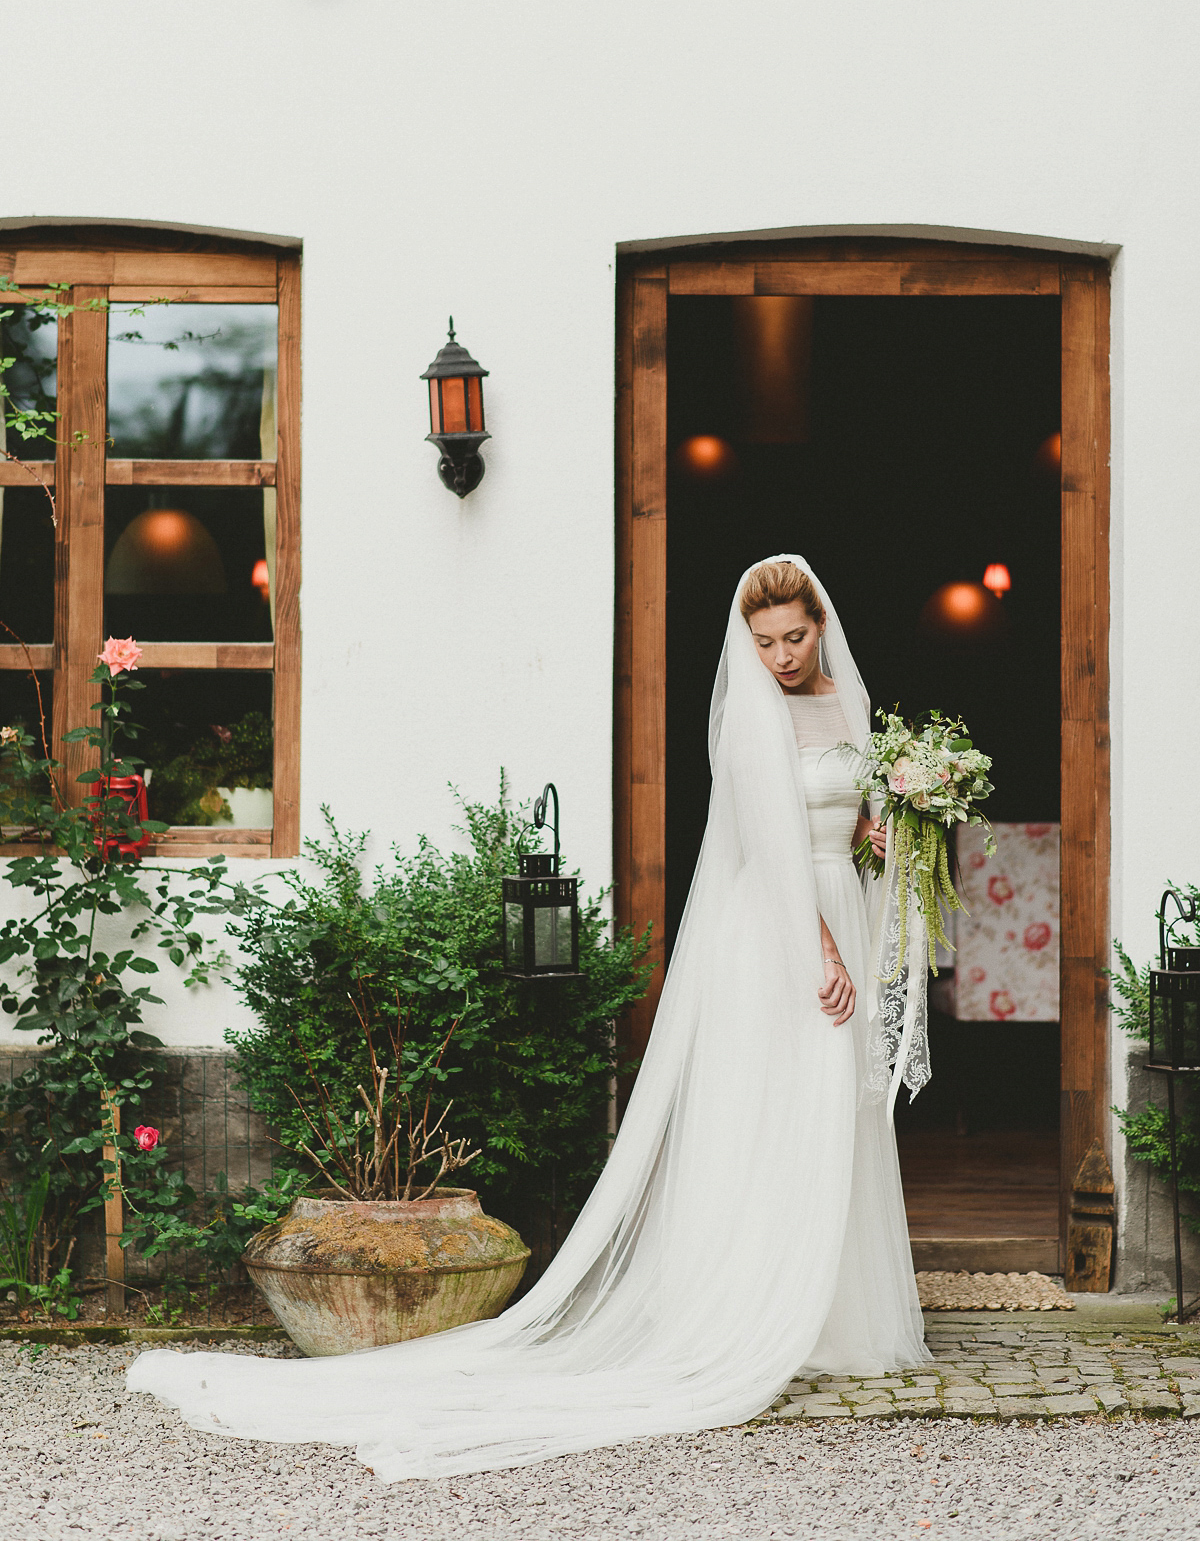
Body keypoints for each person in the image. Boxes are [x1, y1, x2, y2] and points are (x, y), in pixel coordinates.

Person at [128, 555, 929, 1478]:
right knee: (769, 1115)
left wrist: (886, 829)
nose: (780, 657)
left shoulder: (854, 709)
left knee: (833, 1113)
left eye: (793, 638)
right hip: (782, 928)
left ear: (821, 626)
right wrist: (818, 948)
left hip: (840, 904)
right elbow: (768, 841)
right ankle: (752, 1303)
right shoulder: (754, 713)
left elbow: (852, 816)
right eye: (763, 643)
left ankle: (832, 1314)